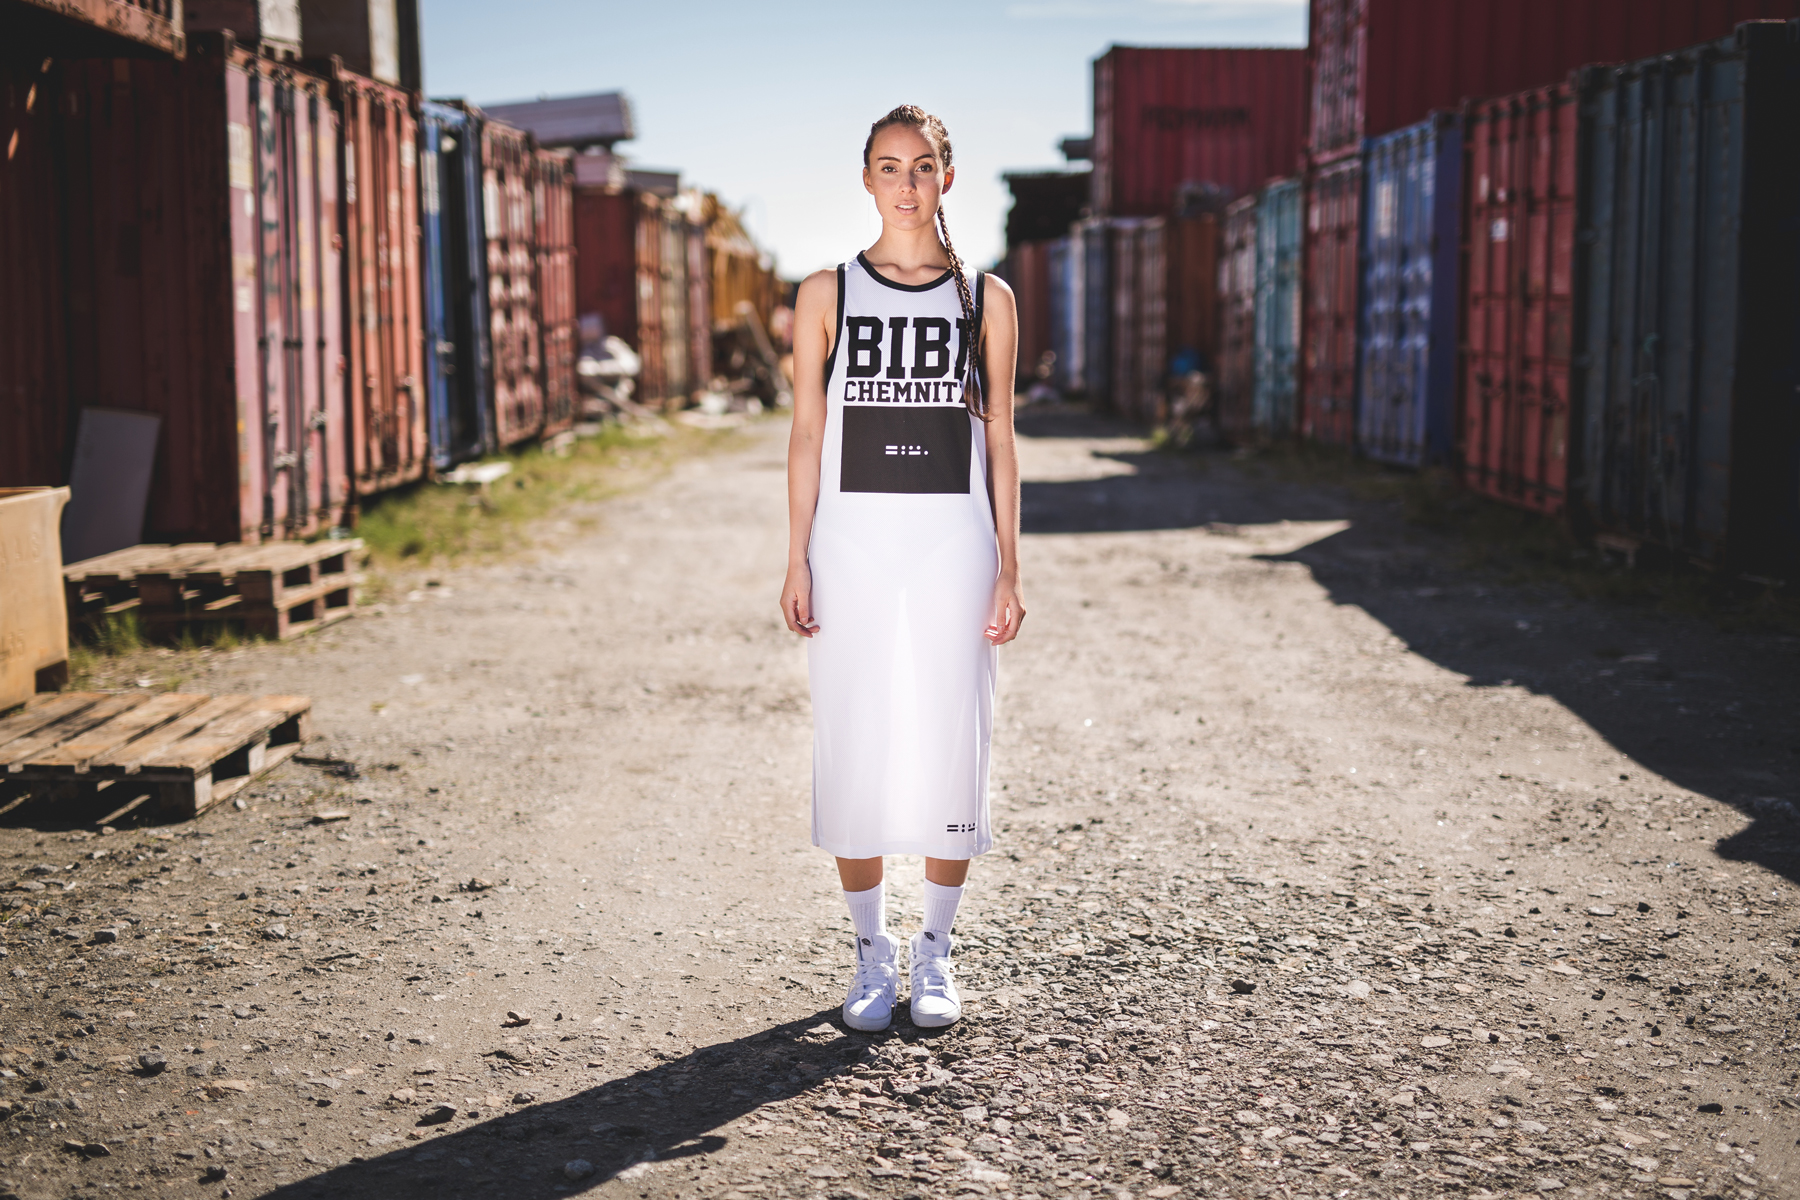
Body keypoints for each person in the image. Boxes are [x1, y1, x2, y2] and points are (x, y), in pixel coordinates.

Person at [780, 105, 1025, 1032]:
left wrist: (1009, 566)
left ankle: (936, 951)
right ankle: (870, 952)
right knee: (856, 738)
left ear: (946, 179)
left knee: (949, 739)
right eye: (890, 167)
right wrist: (796, 553)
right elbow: (806, 433)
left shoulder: (986, 299)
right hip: (850, 544)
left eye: (923, 167)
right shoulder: (827, 292)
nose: (907, 183)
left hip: (952, 546)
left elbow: (1001, 443)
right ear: (869, 180)